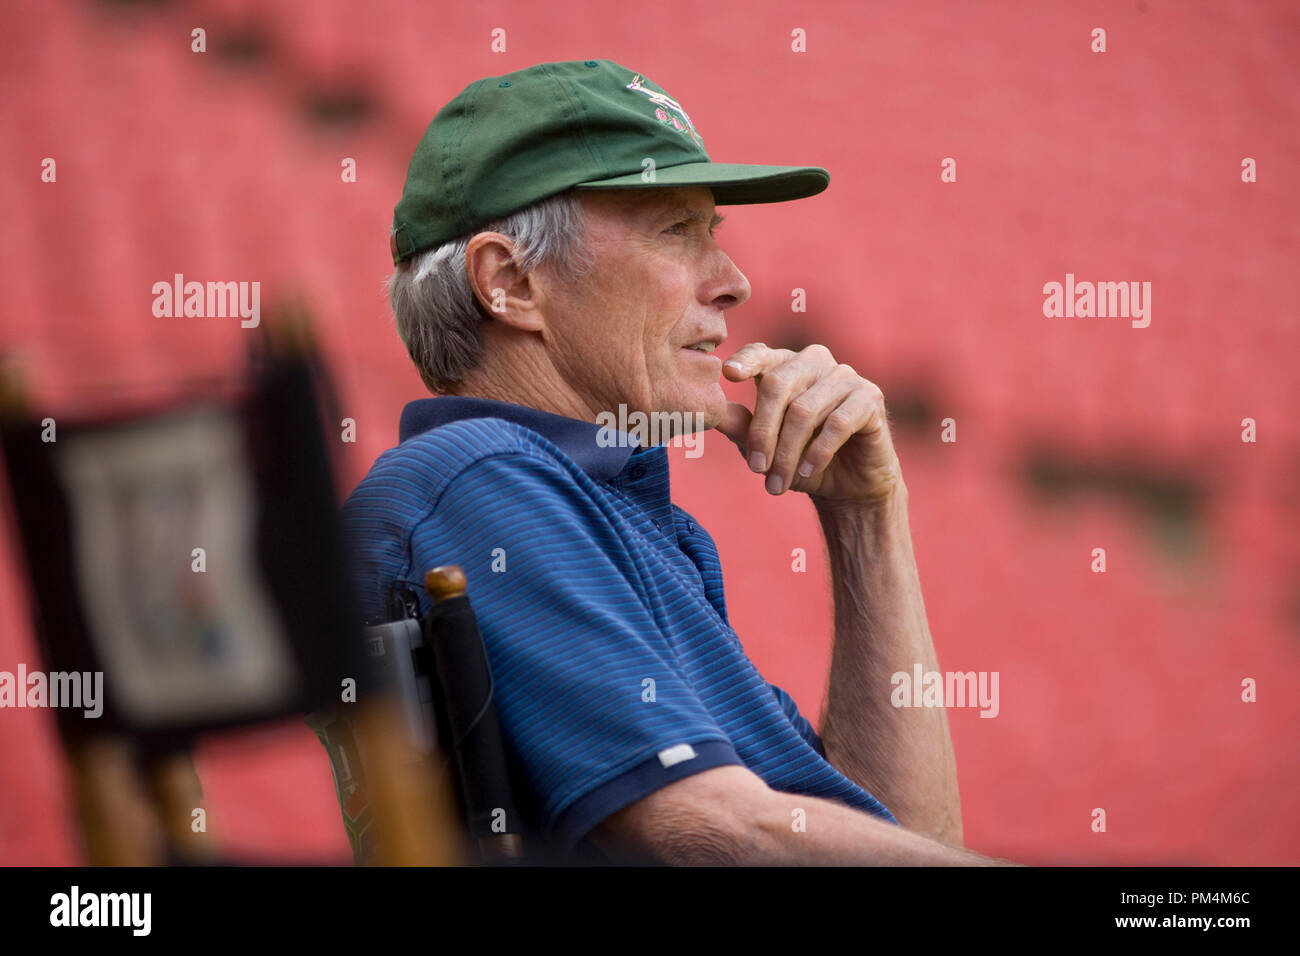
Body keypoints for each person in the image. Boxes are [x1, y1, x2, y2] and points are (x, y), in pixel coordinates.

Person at [344, 58, 1009, 865]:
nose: (733, 283)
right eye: (675, 231)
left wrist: (867, 516)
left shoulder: (619, 512)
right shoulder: (480, 473)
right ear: (509, 282)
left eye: (714, 236)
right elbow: (711, 829)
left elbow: (900, 838)